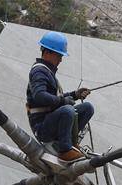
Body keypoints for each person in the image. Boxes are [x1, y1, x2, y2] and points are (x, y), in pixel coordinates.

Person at [25, 31, 93, 162]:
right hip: (42, 127)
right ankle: (65, 150)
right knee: (68, 110)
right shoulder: (39, 71)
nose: (61, 60)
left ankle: (71, 143)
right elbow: (40, 96)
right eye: (59, 55)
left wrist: (75, 95)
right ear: (47, 53)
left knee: (87, 108)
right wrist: (63, 101)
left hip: (52, 121)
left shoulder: (47, 72)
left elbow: (55, 99)